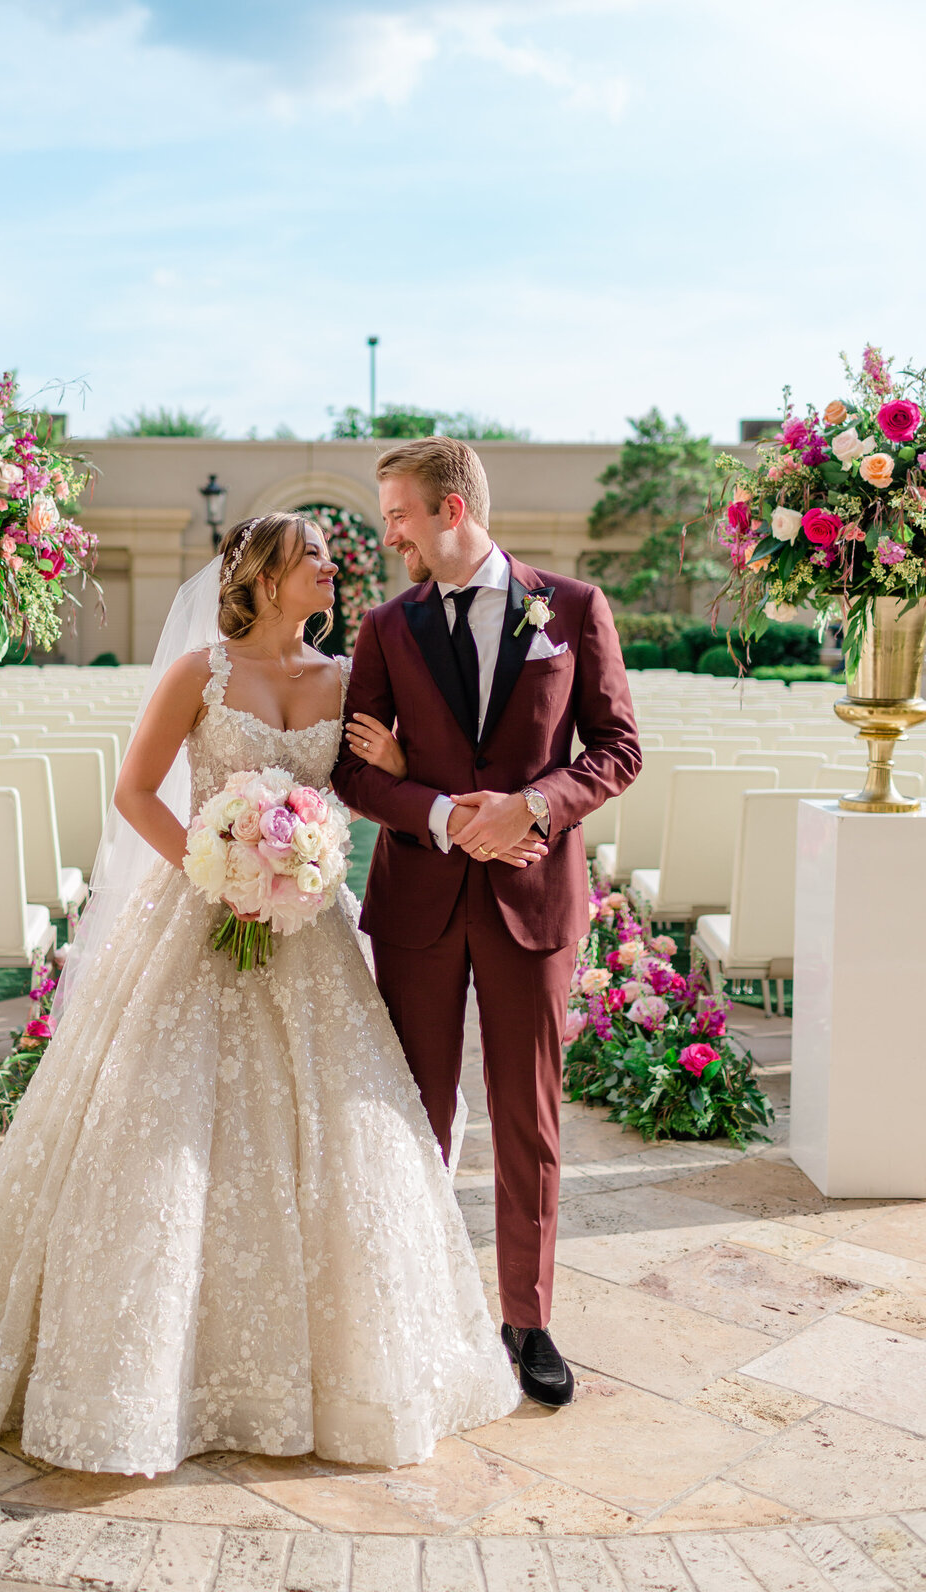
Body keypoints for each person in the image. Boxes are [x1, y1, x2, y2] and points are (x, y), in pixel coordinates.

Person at [0, 511, 520, 1476]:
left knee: (332, 1142)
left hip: (309, 929)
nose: (332, 568)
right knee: (161, 1135)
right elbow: (136, 791)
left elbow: (366, 786)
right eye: (314, 558)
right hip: (201, 910)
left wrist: (390, 776)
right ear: (269, 576)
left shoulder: (342, 678)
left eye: (331, 557)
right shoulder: (200, 673)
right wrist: (217, 867)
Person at [334, 438, 641, 1407]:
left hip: (533, 901)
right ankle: (415, 1307)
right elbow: (351, 770)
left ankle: (529, 1315)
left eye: (398, 513)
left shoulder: (575, 609)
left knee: (529, 1119)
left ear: (452, 509)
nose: (387, 533)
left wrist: (536, 808)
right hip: (419, 903)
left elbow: (619, 747)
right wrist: (440, 813)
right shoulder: (385, 626)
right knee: (413, 1117)